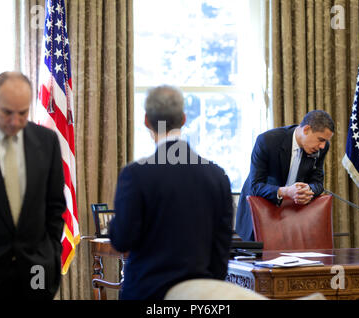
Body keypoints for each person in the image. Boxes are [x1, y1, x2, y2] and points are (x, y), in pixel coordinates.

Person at [109, 85, 233, 300]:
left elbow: (122, 240)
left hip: (146, 293)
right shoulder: (217, 176)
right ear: (184, 119)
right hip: (200, 296)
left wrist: (112, 224)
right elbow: (222, 248)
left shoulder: (136, 175)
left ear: (146, 120)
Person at [0, 71, 66, 299]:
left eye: (23, 113)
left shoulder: (46, 141)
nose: (15, 121)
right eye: (7, 112)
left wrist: (51, 256)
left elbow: (55, 207)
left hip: (35, 275)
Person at [235, 110, 335, 241]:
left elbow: (318, 184)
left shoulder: (320, 148)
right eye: (320, 140)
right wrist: (286, 191)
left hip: (291, 216)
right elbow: (255, 186)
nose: (322, 146)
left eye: (325, 141)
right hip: (259, 211)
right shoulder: (267, 141)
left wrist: (307, 190)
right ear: (306, 130)